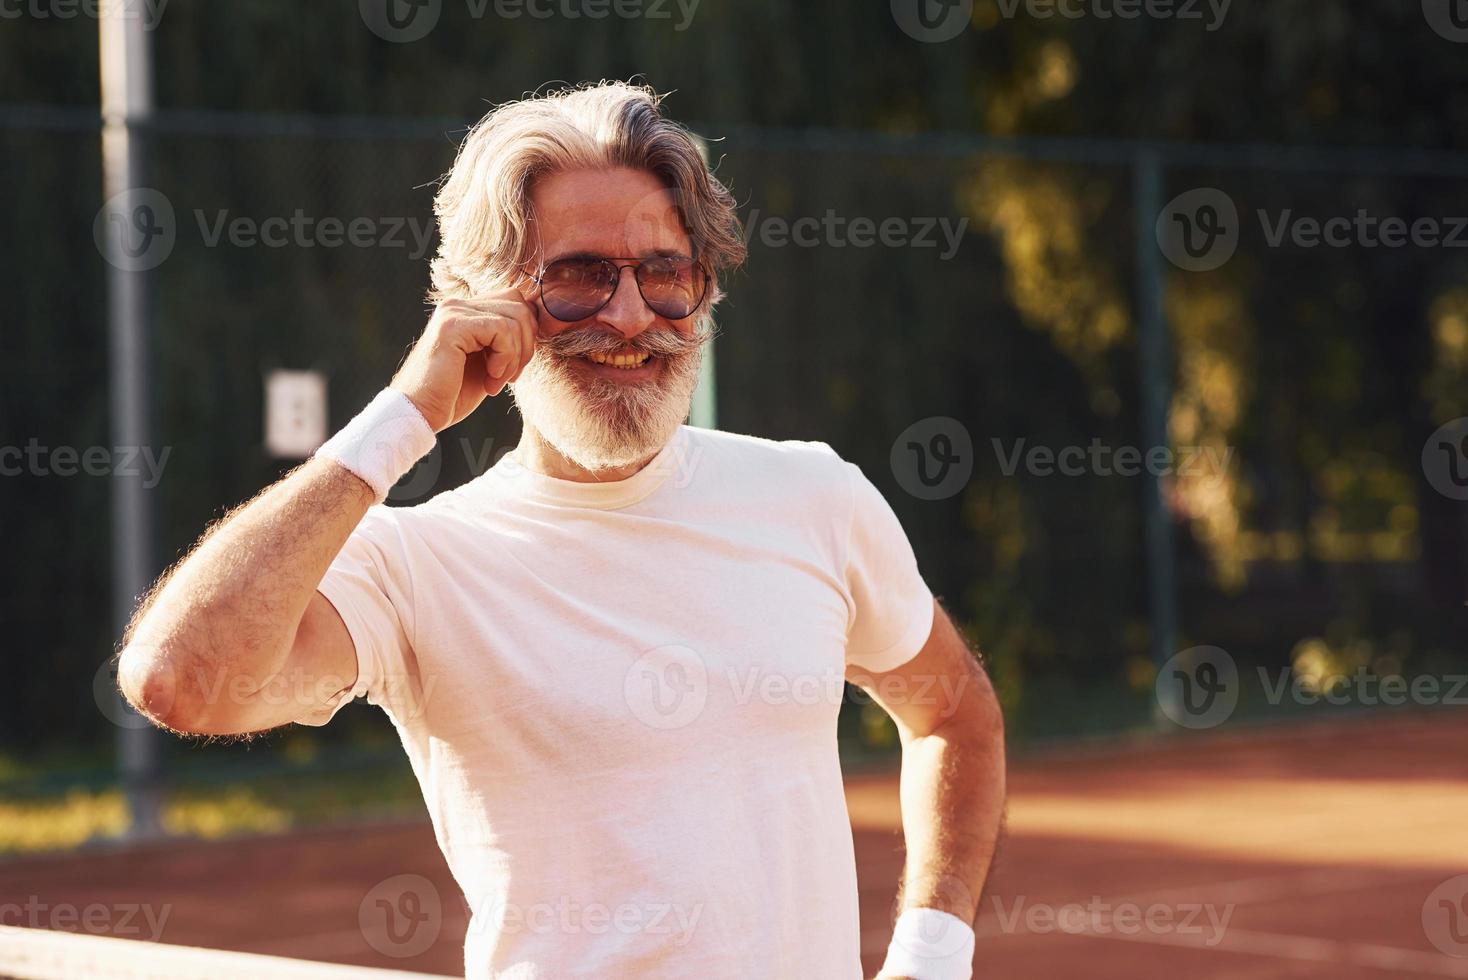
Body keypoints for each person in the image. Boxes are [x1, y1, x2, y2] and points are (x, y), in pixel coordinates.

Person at [118, 80, 1005, 979]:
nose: (629, 318)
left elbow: (955, 715)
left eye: (665, 273)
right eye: (578, 277)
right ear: (481, 303)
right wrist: (404, 416)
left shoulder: (816, 496)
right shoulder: (414, 564)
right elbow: (179, 680)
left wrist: (933, 956)